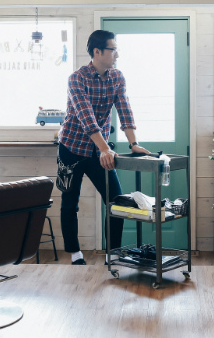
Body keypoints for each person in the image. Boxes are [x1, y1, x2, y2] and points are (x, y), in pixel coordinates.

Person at [57, 30, 150, 265]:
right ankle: (75, 253)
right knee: (70, 202)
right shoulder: (77, 78)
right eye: (113, 49)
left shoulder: (117, 77)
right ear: (97, 52)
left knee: (116, 201)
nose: (117, 54)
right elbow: (86, 116)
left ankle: (115, 253)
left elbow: (124, 109)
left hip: (99, 151)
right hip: (71, 148)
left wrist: (134, 143)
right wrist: (104, 149)